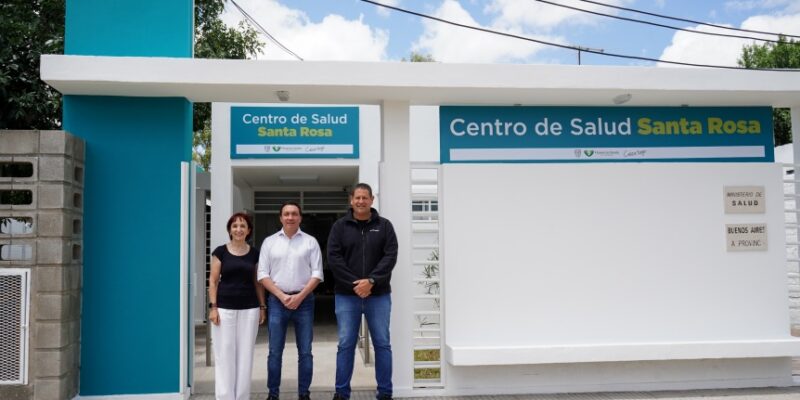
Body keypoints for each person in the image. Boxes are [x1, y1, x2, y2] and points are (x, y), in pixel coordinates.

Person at [327, 183, 398, 400]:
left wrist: (372, 281)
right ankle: (341, 392)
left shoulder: (385, 226)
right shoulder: (340, 227)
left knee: (382, 344)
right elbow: (334, 258)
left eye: (364, 198)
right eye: (357, 198)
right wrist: (357, 284)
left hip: (379, 295)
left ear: (372, 200)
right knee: (346, 344)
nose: (360, 201)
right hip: (347, 296)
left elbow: (390, 256)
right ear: (351, 200)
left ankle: (385, 392)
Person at [257, 202, 324, 400]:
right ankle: (273, 394)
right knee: (275, 352)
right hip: (278, 302)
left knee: (305, 351)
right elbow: (262, 274)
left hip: (305, 302)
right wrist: (282, 296)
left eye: (294, 214)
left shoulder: (310, 242)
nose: (290, 217)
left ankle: (304, 393)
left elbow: (317, 273)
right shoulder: (269, 242)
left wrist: (299, 296)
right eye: (286, 214)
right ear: (280, 217)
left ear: (300, 218)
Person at [209, 212, 266, 400]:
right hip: (224, 309)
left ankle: (241, 397)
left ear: (248, 230)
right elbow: (213, 280)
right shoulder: (220, 252)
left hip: (249, 309)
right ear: (230, 230)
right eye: (235, 226)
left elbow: (258, 282)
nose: (238, 229)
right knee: (225, 355)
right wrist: (213, 307)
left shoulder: (255, 253)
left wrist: (262, 307)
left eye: (242, 226)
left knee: (245, 356)